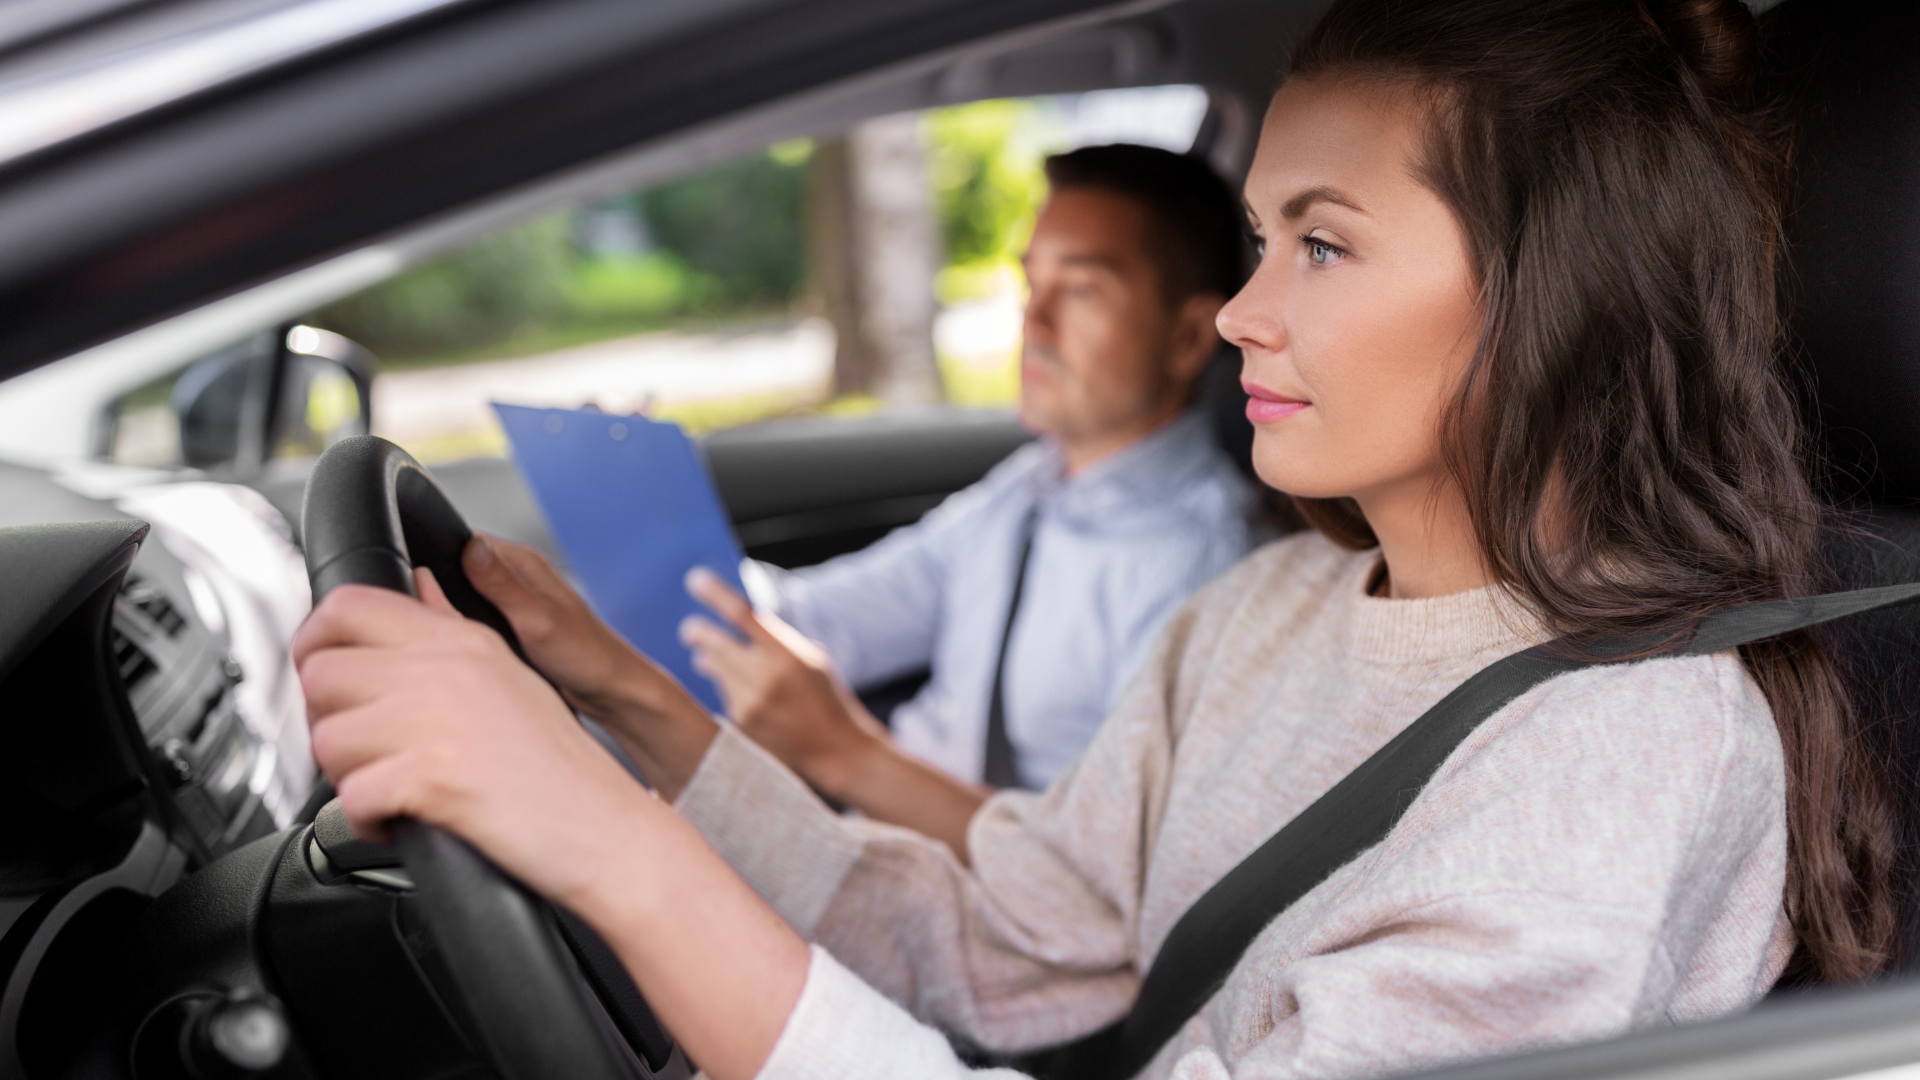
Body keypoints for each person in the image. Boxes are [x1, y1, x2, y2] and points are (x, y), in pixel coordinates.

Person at [292, 1, 1901, 1078]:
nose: (1248, 313)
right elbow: (995, 943)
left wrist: (611, 849)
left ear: (1559, 295)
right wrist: (639, 717)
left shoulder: (1620, 760)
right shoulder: (1267, 608)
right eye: (1265, 237)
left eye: (1324, 246)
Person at [688, 143, 1263, 811]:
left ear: (1190, 336)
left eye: (1079, 289)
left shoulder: (1205, 570)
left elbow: (1100, 875)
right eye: (1030, 284)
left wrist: (845, 756)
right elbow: (817, 622)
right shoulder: (1028, 489)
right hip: (864, 849)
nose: (1034, 322)